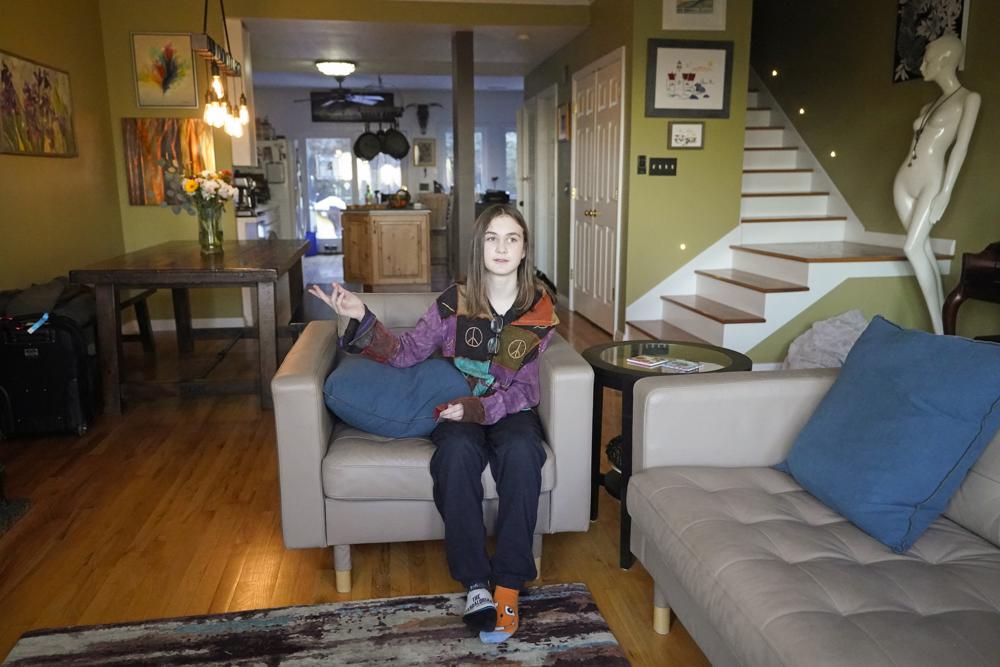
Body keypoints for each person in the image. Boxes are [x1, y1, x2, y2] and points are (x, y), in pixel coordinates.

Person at [308, 204, 558, 644]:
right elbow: (405, 352)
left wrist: (483, 409)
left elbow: (526, 391)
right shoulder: (452, 301)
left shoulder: (538, 310)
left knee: (523, 453)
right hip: (457, 411)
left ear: (524, 251)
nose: (501, 247)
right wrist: (359, 316)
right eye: (491, 238)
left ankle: (509, 584)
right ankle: (477, 585)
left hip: (508, 412)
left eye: (512, 238)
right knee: (456, 455)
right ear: (478, 247)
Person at [893, 34, 980, 334]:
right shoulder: (931, 104)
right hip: (904, 179)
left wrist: (946, 191)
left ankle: (939, 333)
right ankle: (943, 328)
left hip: (932, 180)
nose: (921, 64)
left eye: (927, 57)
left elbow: (961, 148)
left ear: (945, 59)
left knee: (912, 248)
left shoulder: (969, 99)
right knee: (923, 251)